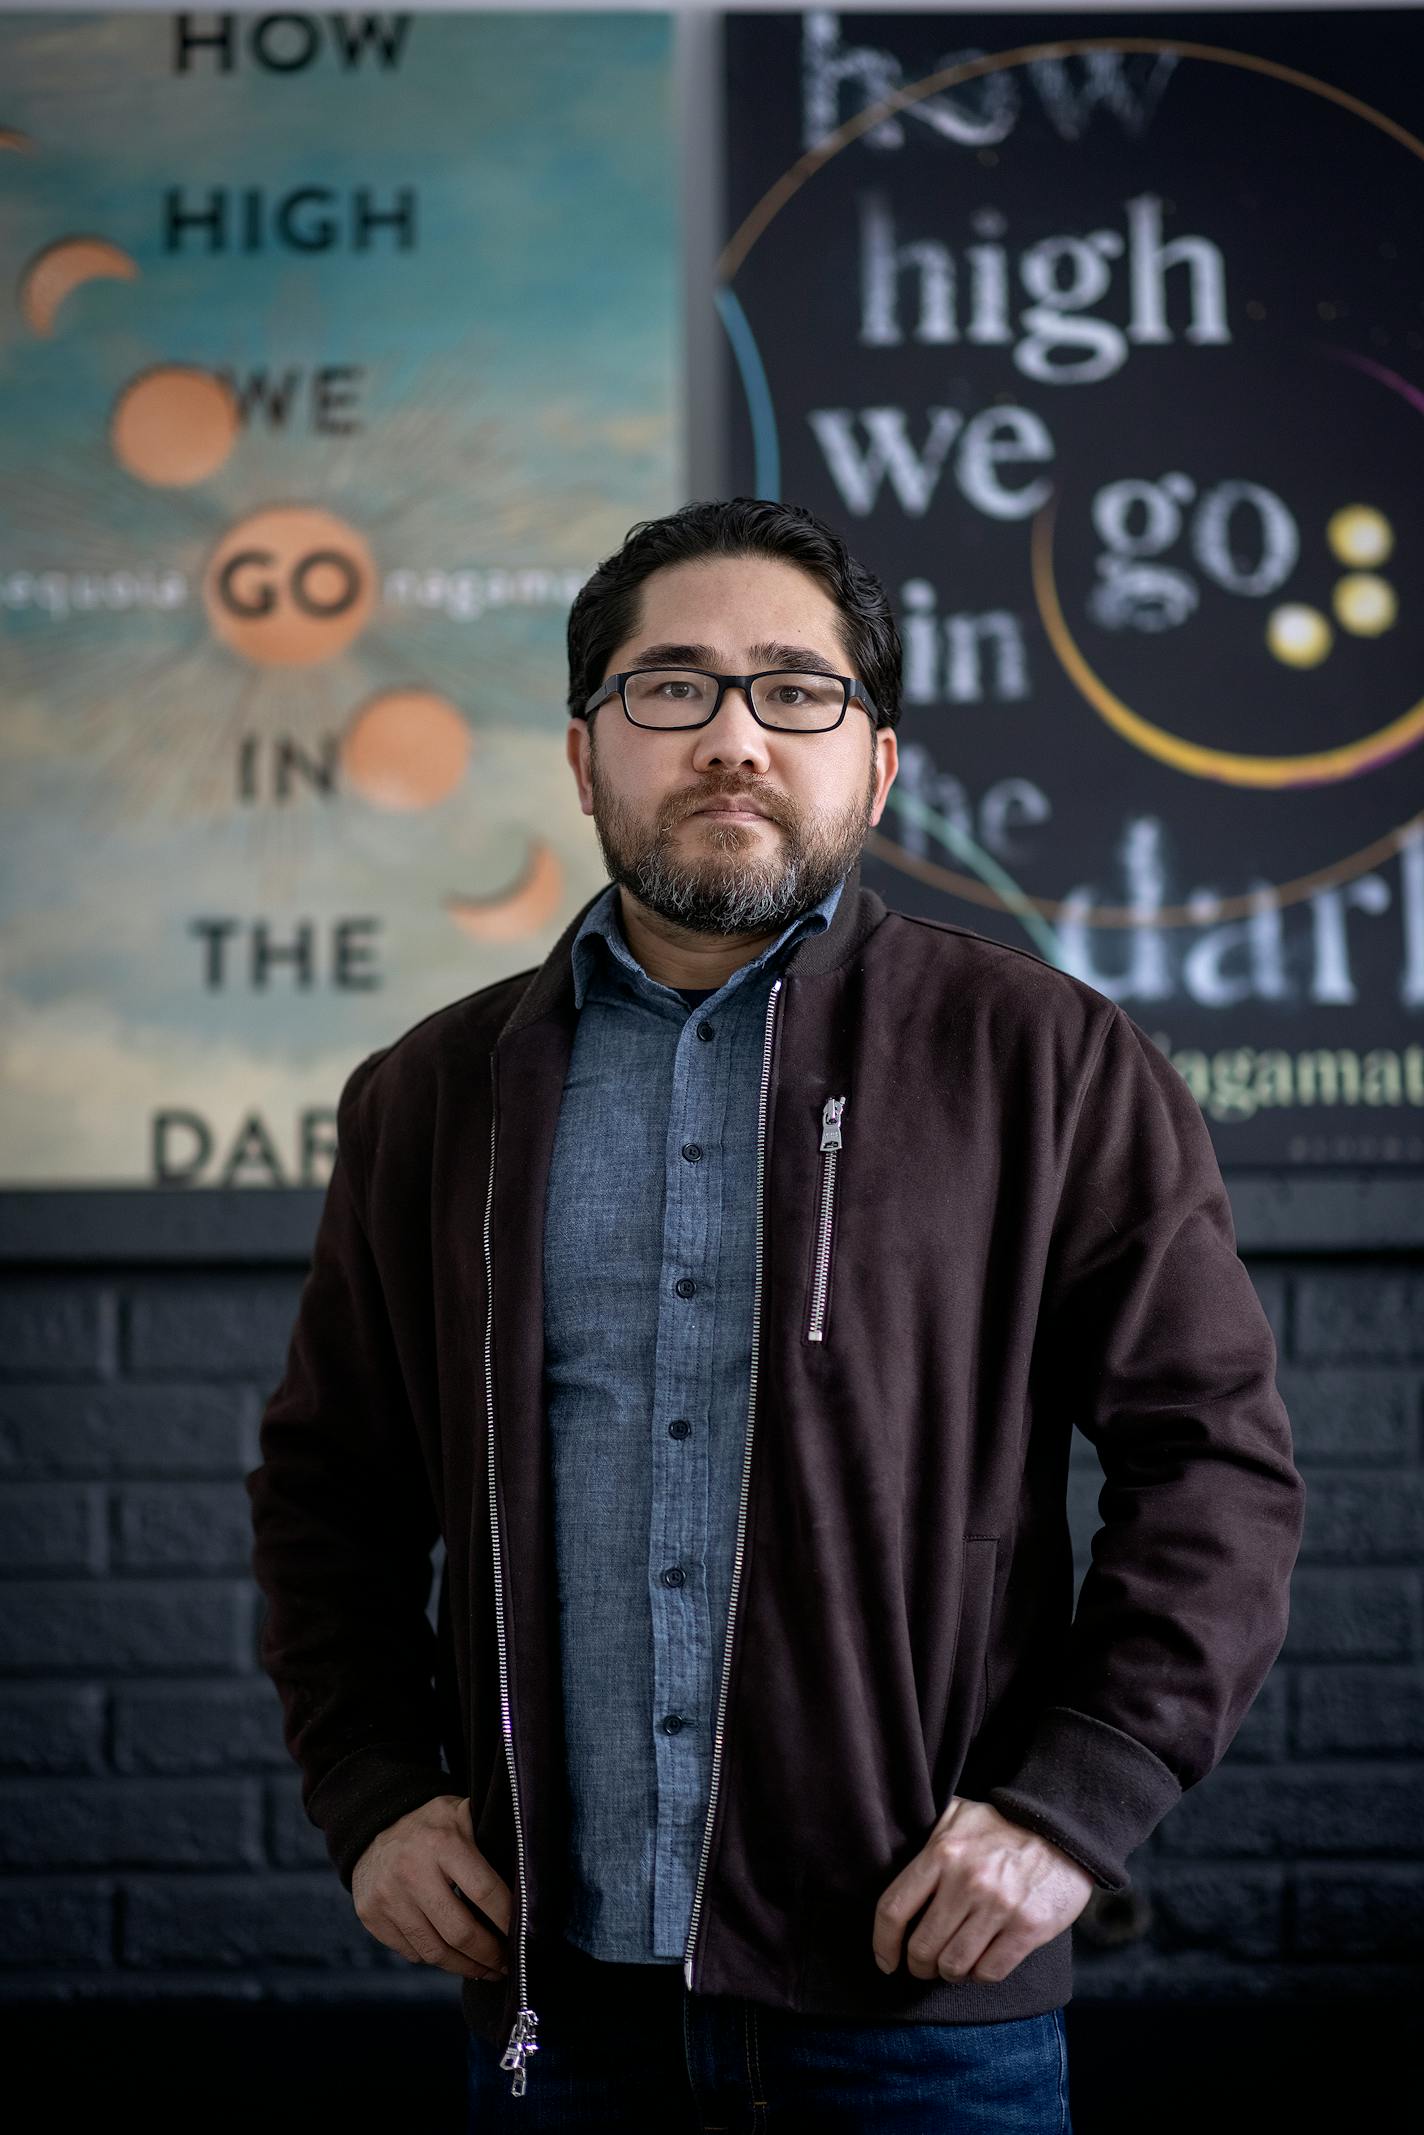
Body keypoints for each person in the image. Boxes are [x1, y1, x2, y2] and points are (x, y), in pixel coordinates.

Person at [246, 498, 1307, 2133]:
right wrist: (377, 1792)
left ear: (873, 766)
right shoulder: (434, 1097)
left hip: (919, 2019)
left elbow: (1217, 1467)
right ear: (585, 756)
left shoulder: (1048, 1063)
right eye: (671, 688)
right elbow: (331, 1497)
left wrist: (1073, 1805)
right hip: (560, 2006)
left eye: (795, 691)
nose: (733, 737)